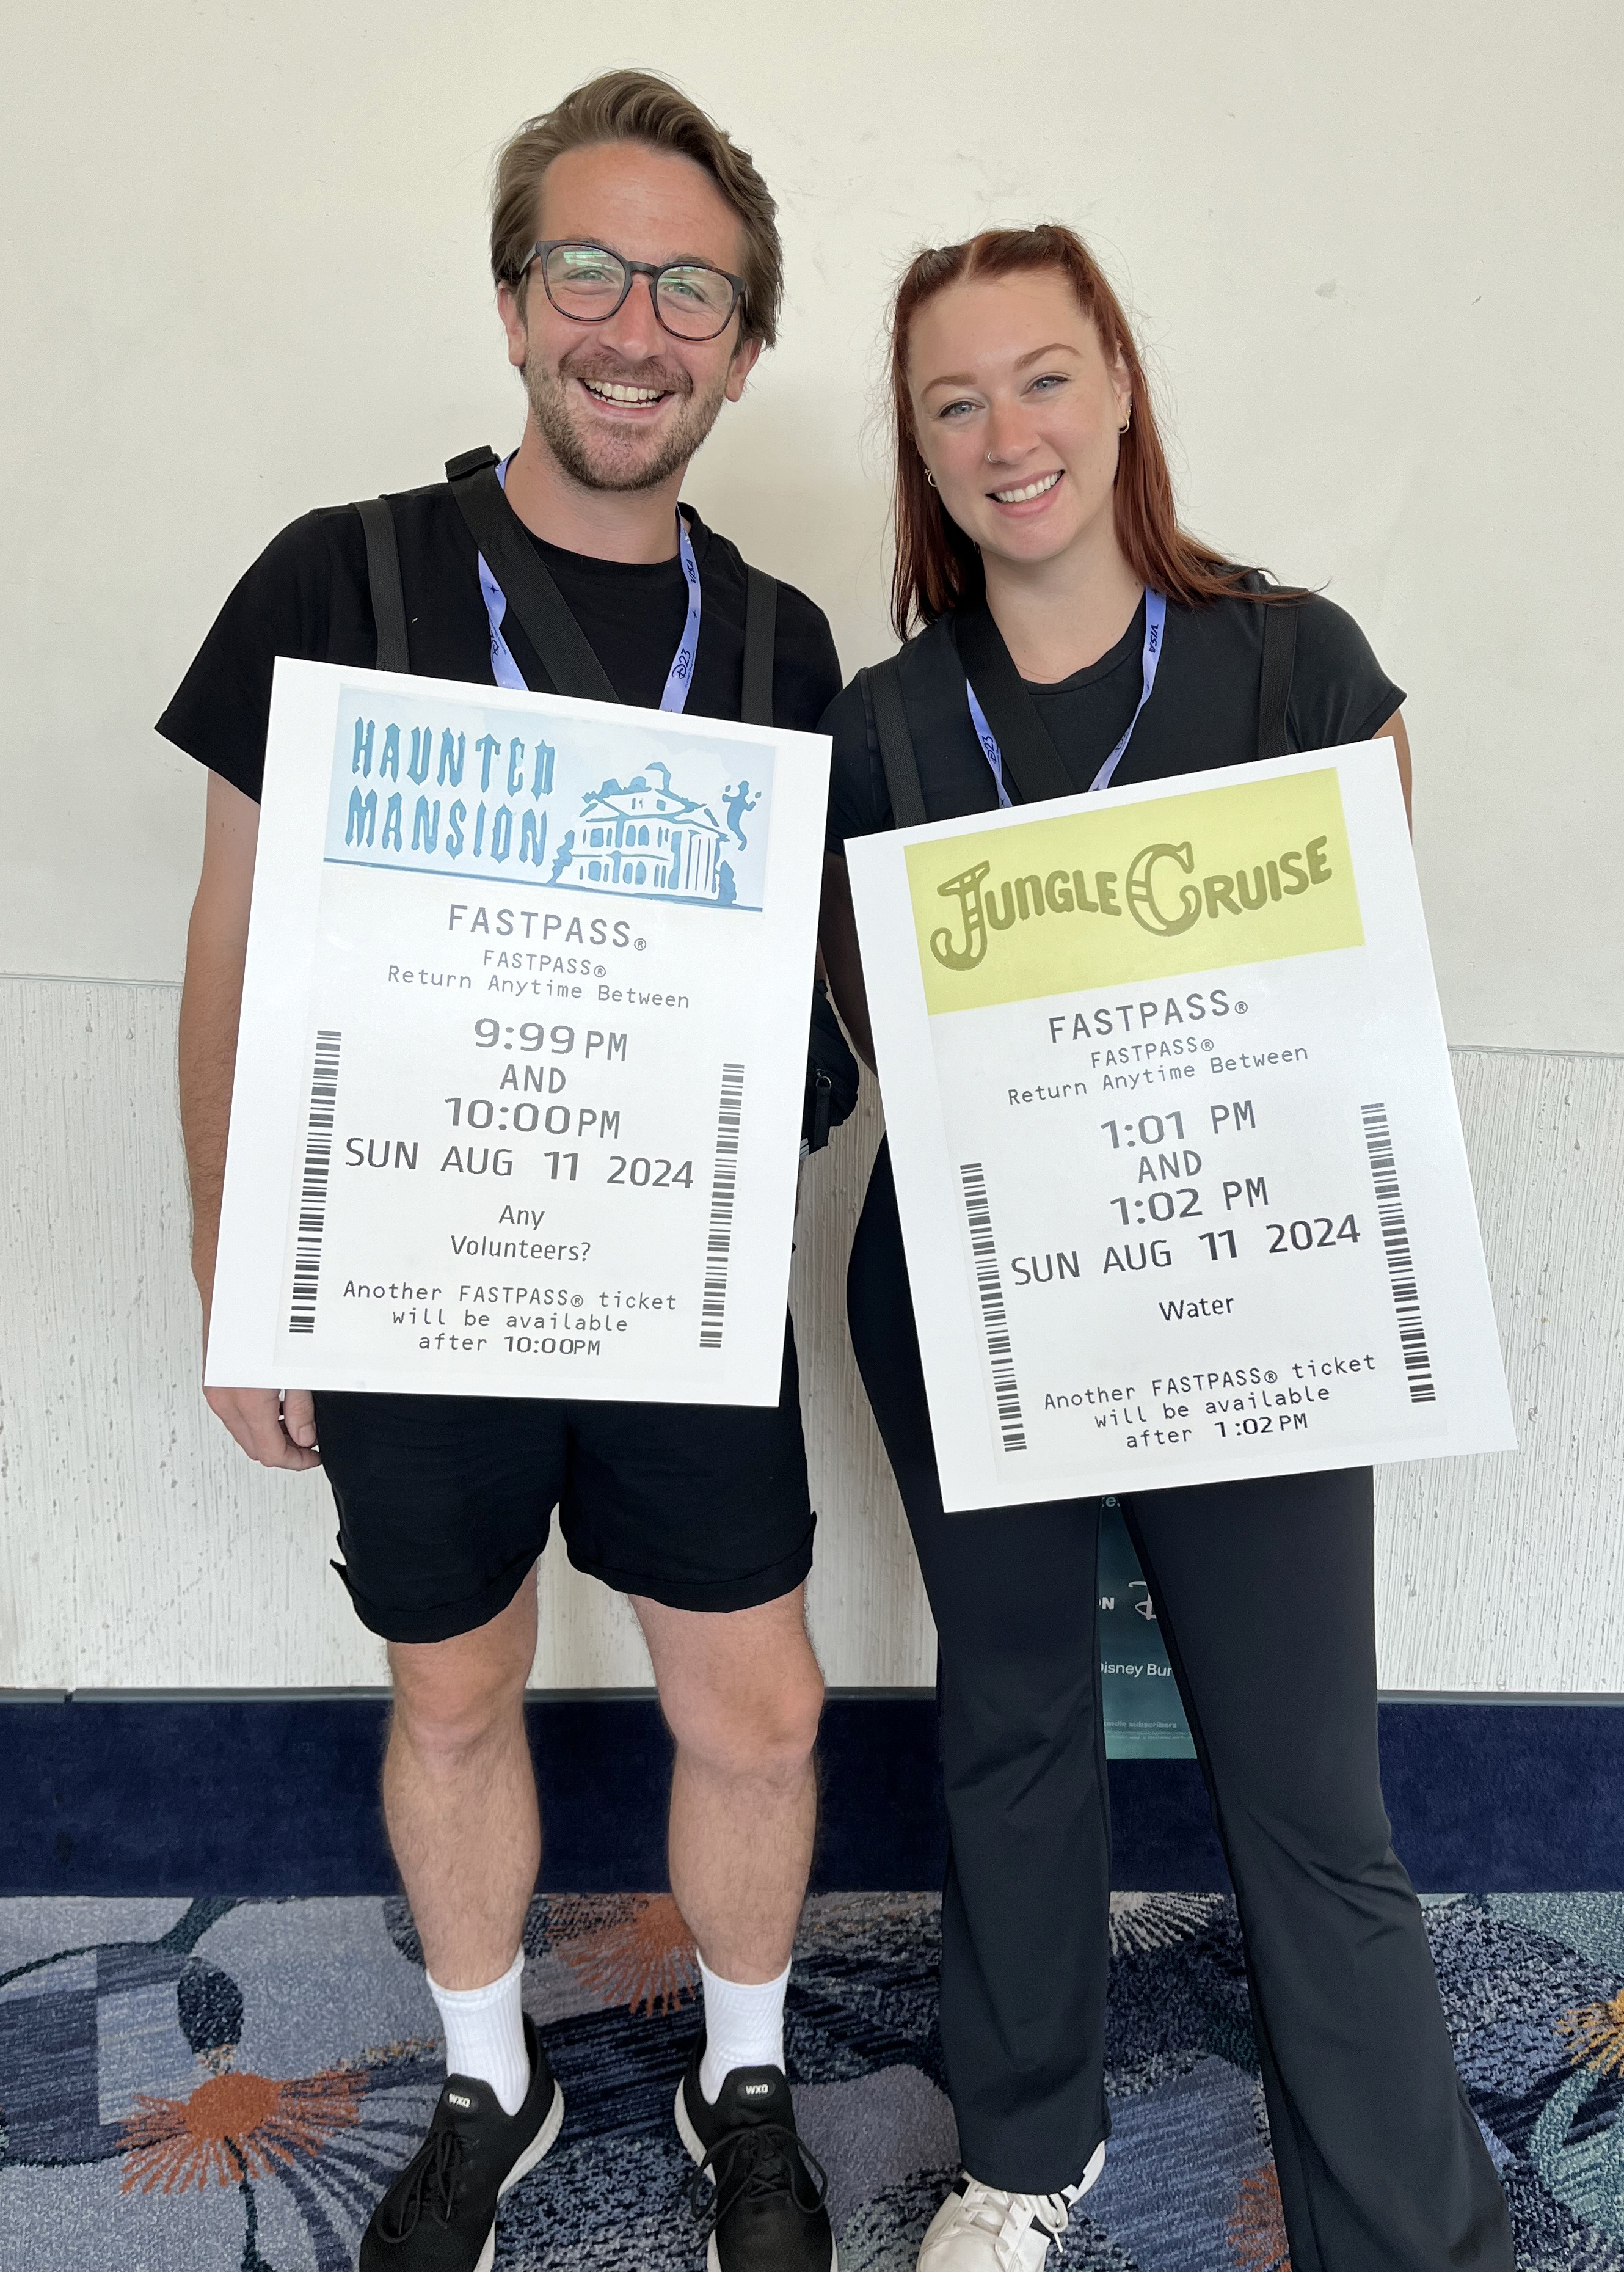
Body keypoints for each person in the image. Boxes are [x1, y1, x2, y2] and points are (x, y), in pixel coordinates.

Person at [166, 71, 843, 2272]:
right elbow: (238, 947)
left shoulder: (779, 649)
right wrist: (235, 1267)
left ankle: (742, 2066)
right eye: (587, 270)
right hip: (405, 1278)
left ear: (742, 344)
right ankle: (493, 2075)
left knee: (756, 1703)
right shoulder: (337, 576)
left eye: (688, 290)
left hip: (676, 1285)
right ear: (511, 297)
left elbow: (810, 995)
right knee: (451, 1683)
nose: (630, 328)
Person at [817, 225, 1513, 2272]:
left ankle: (1406, 2228)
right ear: (920, 454)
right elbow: (864, 1043)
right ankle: (1028, 2153)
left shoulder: (1294, 661)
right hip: (970, 1296)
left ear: (1118, 382)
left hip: (1258, 1288)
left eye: (1039, 377)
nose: (1003, 434)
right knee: (1012, 1726)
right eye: (951, 403)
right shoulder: (881, 725)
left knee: (1304, 1787)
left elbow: (1350, 1010)